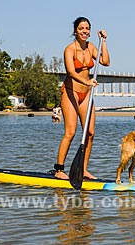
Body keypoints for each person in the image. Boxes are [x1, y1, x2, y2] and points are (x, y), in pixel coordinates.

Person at [54, 17, 110, 180]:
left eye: (87, 28)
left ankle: (83, 170)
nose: (84, 31)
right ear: (75, 31)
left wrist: (103, 42)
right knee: (70, 132)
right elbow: (71, 72)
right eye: (81, 28)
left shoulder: (92, 47)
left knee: (90, 133)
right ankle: (59, 170)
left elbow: (105, 62)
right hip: (71, 92)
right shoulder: (69, 49)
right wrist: (86, 81)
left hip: (86, 94)